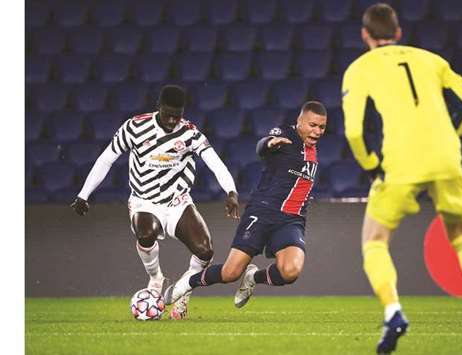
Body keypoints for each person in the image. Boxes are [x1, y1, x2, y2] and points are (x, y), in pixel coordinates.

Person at [341, 4, 462, 354]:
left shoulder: (359, 68)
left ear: (365, 35)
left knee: (375, 240)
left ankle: (393, 312)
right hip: (446, 156)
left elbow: (354, 131)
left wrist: (370, 164)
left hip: (400, 160)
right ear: (398, 32)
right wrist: (453, 137)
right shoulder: (432, 59)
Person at [71, 85, 240, 320]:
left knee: (205, 251)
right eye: (168, 113)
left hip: (177, 201)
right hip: (144, 200)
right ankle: (156, 277)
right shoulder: (135, 127)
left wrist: (231, 191)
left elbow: (215, 162)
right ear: (158, 107)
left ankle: (183, 292)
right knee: (145, 233)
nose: (172, 120)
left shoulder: (190, 133)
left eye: (177, 115)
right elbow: (107, 158)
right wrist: (84, 194)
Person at [163, 101, 327, 308]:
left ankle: (253, 278)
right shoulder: (285, 134)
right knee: (230, 273)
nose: (317, 131)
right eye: (313, 125)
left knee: (290, 271)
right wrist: (268, 144)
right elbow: (262, 145)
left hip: (291, 220)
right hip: (262, 211)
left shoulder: (312, 150)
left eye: (322, 127)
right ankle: (188, 282)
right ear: (300, 121)